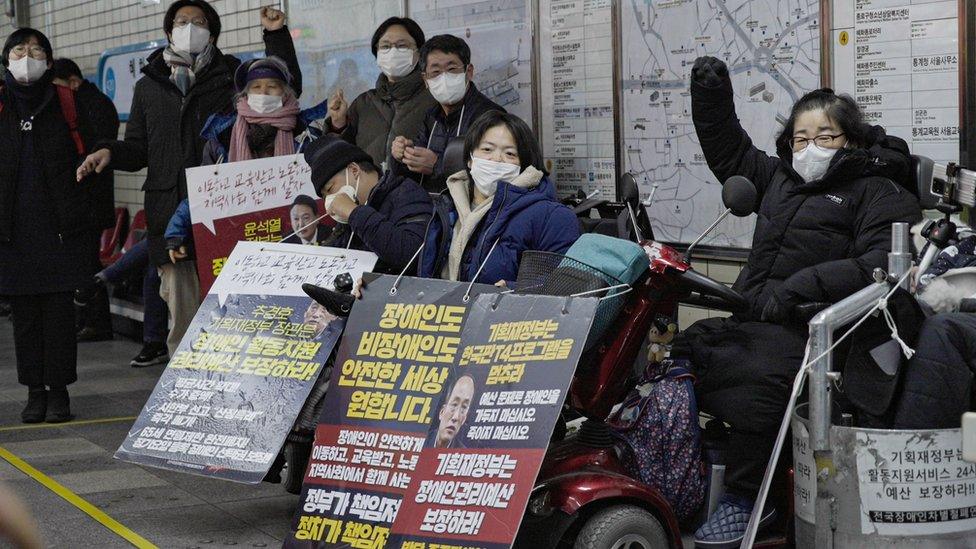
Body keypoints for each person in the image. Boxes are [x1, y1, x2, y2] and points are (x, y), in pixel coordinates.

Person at [679, 56, 921, 548]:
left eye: (825, 136)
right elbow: (729, 151)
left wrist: (798, 289)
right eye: (800, 138)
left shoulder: (879, 190)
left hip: (817, 332)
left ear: (850, 140)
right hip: (755, 316)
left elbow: (877, 264)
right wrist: (709, 93)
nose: (811, 148)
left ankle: (751, 500)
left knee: (759, 379)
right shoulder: (779, 179)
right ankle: (684, 476)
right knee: (683, 356)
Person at [76, 2, 301, 356]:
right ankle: (186, 389)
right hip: (172, 218)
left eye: (199, 22)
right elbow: (138, 149)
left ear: (212, 32)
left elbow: (283, 88)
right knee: (184, 321)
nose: (190, 27)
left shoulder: (231, 77)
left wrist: (275, 36)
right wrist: (110, 151)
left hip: (228, 215)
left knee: (234, 315)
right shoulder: (149, 86)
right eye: (182, 22)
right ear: (169, 31)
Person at [0, 28, 114, 423]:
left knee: (59, 315)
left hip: (62, 230)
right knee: (25, 316)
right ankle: (34, 391)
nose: (26, 56)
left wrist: (102, 151)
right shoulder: (1, 104)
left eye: (36, 50)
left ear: (49, 61)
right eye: (19, 49)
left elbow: (104, 133)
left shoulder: (68, 101)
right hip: (12, 232)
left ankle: (59, 391)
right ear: (6, 59)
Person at [419, 111, 580, 285]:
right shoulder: (447, 206)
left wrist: (511, 290)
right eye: (487, 149)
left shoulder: (552, 217)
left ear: (525, 164)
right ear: (470, 159)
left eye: (510, 154)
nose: (496, 159)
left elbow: (562, 287)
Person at [51, 58, 121, 343]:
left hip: (90, 198)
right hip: (87, 199)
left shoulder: (92, 104)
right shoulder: (90, 102)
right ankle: (91, 320)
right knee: (85, 262)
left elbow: (95, 147)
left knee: (88, 263)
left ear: (73, 83)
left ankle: (97, 321)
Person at [305, 135, 433, 274]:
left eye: (330, 189)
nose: (330, 202)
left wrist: (354, 213)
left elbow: (413, 254)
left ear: (354, 170)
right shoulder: (348, 219)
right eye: (324, 197)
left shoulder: (406, 193)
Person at [392, 34, 505, 192]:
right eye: (436, 71)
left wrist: (437, 165)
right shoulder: (431, 117)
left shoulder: (490, 116)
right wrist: (403, 157)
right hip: (434, 210)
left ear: (469, 71)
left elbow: (494, 176)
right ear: (425, 79)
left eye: (452, 69)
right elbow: (414, 176)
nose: (444, 77)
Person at [323, 17, 438, 170]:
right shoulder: (363, 103)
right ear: (377, 54)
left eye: (402, 45)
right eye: (385, 46)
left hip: (417, 192)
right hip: (367, 192)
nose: (393, 51)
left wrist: (436, 164)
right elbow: (340, 155)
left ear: (419, 52)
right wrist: (338, 124)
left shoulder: (434, 99)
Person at [430, 375, 475, 449]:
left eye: (464, 407)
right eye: (454, 404)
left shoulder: (462, 455)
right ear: (442, 412)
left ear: (464, 419)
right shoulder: (421, 441)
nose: (456, 417)